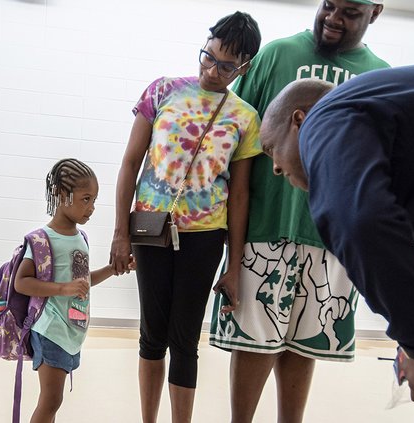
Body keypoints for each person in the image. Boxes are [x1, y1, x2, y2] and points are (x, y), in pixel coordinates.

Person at [259, 60, 414, 422]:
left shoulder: (325, 116)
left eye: (271, 150)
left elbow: (360, 222)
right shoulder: (381, 104)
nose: (276, 169)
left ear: (299, 120)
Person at [209, 1, 388, 421]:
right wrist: (232, 253)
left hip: (332, 240)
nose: (332, 18)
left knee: (304, 344)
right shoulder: (277, 54)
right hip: (266, 229)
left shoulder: (379, 75)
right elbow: (238, 146)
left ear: (375, 12)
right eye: (328, 5)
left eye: (349, 12)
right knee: (254, 342)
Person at [109, 12, 262, 423]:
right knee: (151, 333)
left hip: (205, 237)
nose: (212, 70)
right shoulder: (163, 91)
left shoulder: (245, 117)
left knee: (185, 338)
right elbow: (130, 163)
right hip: (150, 227)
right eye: (207, 57)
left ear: (244, 66)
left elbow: (241, 193)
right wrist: (120, 233)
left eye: (226, 66)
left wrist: (235, 263)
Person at [15, 158, 118, 423]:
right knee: (51, 399)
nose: (92, 208)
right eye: (86, 199)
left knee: (53, 401)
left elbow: (82, 282)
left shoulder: (81, 239)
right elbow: (22, 282)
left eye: (94, 200)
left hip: (72, 329)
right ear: (63, 195)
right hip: (50, 328)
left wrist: (114, 269)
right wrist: (62, 288)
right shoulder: (41, 239)